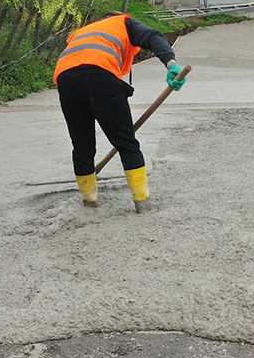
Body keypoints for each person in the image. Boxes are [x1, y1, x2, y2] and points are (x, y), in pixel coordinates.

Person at [53, 11, 186, 212]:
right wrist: (171, 64)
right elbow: (153, 36)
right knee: (126, 143)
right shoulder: (124, 22)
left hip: (66, 79)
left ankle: (90, 200)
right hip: (100, 75)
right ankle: (143, 203)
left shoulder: (83, 31)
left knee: (82, 146)